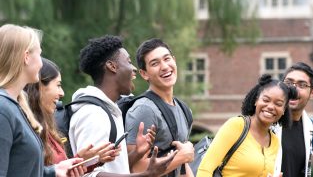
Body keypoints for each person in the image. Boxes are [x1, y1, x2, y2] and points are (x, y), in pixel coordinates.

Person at [68, 35, 177, 177]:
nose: (134, 69)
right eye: (129, 62)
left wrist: (137, 152)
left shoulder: (109, 110)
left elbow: (112, 169)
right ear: (112, 66)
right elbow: (89, 175)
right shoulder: (93, 114)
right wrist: (147, 174)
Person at [0, 24, 85, 177]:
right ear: (26, 57)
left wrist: (54, 171)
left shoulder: (13, 106)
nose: (41, 62)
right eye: (39, 54)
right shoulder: (3, 109)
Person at [24, 58, 119, 169]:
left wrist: (85, 161)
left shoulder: (47, 130)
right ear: (39, 87)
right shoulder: (25, 130)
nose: (62, 93)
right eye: (58, 85)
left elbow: (58, 172)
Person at [197, 74, 297, 177]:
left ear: (284, 110)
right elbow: (205, 169)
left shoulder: (274, 141)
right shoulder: (236, 125)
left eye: (278, 104)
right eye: (266, 100)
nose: (271, 106)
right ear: (256, 101)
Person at [125, 38, 195, 177]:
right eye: (155, 63)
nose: (164, 66)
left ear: (174, 60)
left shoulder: (183, 109)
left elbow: (181, 166)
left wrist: (183, 158)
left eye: (167, 59)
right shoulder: (144, 110)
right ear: (144, 74)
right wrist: (182, 156)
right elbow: (136, 169)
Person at [276, 62, 313, 177]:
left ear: (312, 93)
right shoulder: (265, 123)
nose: (293, 89)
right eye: (289, 83)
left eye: (302, 85)